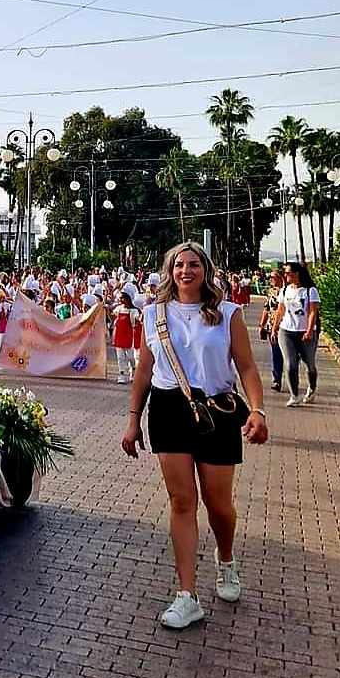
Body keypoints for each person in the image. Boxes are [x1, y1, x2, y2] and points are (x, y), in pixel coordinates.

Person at [122, 242, 268, 630]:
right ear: (169, 271)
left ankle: (226, 560)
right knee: (182, 502)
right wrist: (133, 418)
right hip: (169, 410)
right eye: (179, 265)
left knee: (219, 504)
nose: (186, 271)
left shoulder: (228, 314)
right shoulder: (153, 314)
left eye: (194, 264)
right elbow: (143, 372)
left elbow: (248, 368)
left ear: (205, 269)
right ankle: (187, 595)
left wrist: (256, 409)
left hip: (217, 412)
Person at [269, 261, 320, 407]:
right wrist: (274, 328)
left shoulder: (310, 290)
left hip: (305, 333)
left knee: (310, 365)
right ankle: (294, 395)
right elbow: (280, 310)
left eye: (288, 272)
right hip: (287, 331)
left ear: (296, 274)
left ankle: (311, 388)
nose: (285, 275)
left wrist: (309, 330)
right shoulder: (285, 290)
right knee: (290, 364)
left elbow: (312, 312)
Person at [258, 270, 285, 391]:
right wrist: (261, 325)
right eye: (270, 277)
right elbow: (266, 308)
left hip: (286, 327)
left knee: (289, 355)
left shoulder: (288, 291)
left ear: (280, 277)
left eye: (273, 277)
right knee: (276, 353)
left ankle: (291, 377)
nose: (271, 279)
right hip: (272, 327)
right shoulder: (271, 291)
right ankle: (277, 379)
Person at [110, 292, 138, 384]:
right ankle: (121, 374)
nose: (120, 300)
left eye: (122, 298)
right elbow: (111, 315)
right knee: (120, 357)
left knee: (131, 357)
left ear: (127, 299)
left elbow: (137, 321)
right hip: (118, 336)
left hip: (129, 337)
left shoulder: (133, 311)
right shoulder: (118, 309)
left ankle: (133, 371)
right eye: (119, 298)